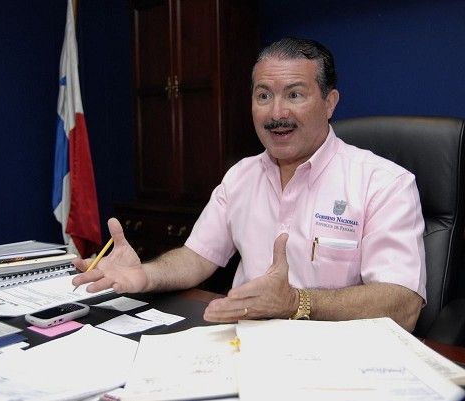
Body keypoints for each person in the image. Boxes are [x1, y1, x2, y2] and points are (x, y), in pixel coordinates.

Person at [72, 37, 426, 332]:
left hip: (336, 357)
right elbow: (197, 258)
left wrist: (296, 302)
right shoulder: (241, 175)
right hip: (242, 344)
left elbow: (403, 304)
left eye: (295, 95)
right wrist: (143, 275)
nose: (276, 113)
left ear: (329, 103)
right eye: (263, 96)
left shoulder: (384, 183)